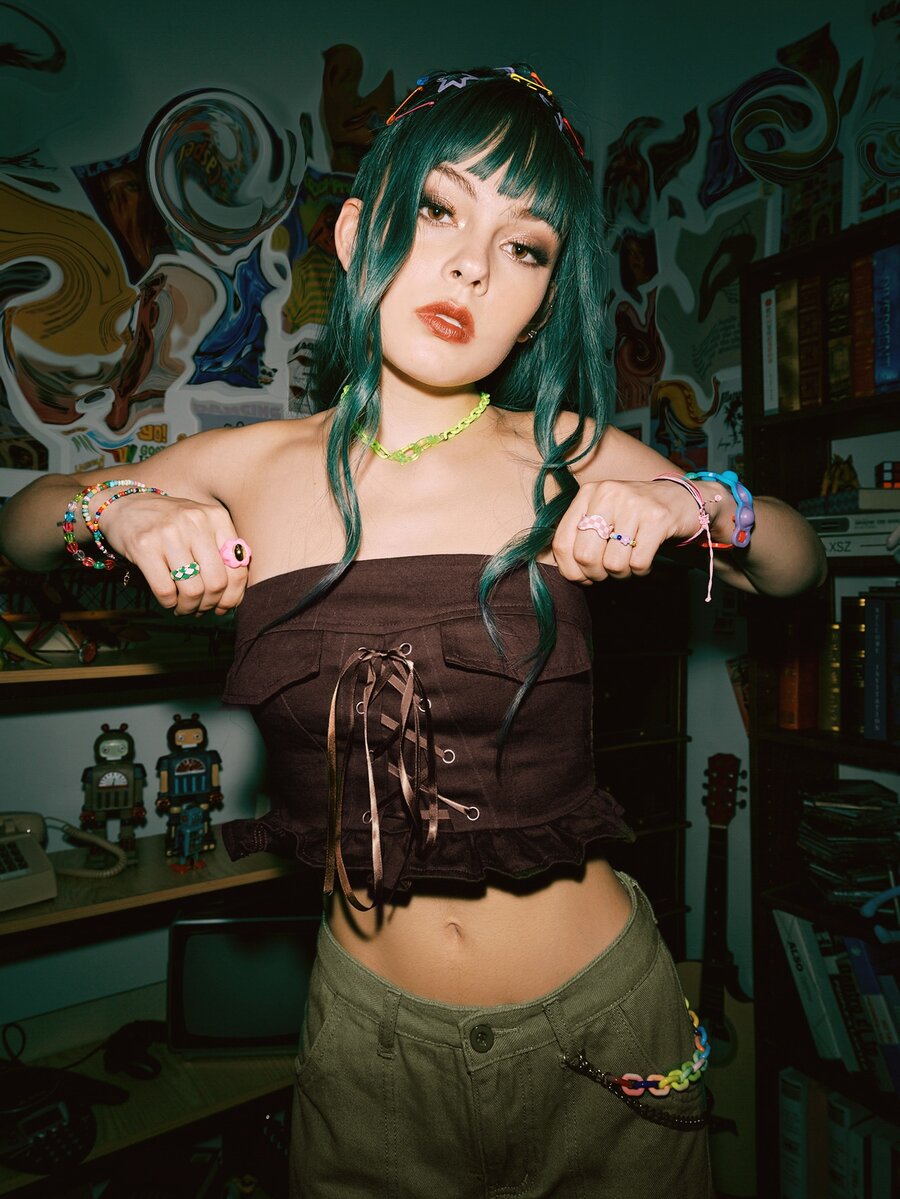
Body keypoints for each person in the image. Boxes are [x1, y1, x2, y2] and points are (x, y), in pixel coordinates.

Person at [0, 64, 825, 1197]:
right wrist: (119, 509)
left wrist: (702, 504)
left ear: (543, 295)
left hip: (603, 1031)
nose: (473, 266)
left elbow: (798, 559)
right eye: (438, 209)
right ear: (356, 235)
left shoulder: (566, 451)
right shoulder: (250, 463)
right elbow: (25, 525)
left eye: (523, 245)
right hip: (369, 1053)